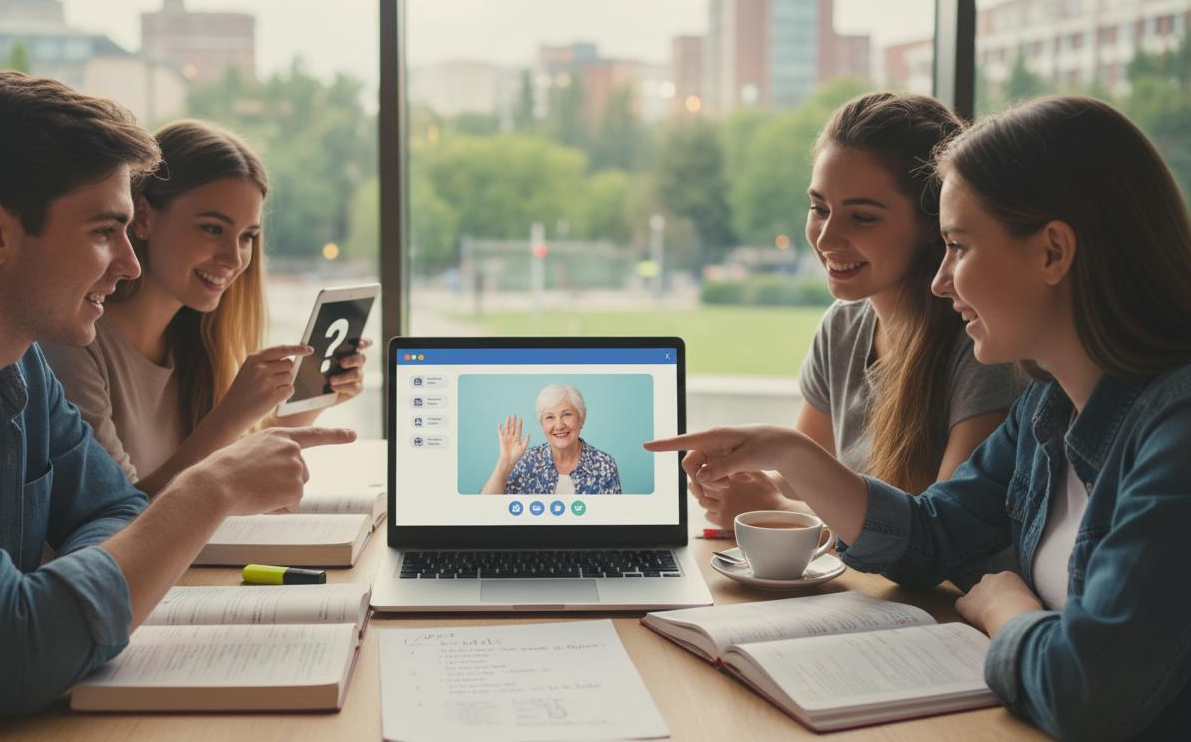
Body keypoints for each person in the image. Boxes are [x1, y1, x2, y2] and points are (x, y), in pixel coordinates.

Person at [647, 96, 1191, 738]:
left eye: (958, 246)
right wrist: (789, 453)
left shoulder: (1174, 438)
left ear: (1051, 253)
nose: (940, 281)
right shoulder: (1048, 406)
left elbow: (1088, 693)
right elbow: (934, 532)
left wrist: (1007, 610)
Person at [0, 73, 353, 739]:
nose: (129, 265)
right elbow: (16, 655)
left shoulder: (18, 359)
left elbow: (116, 509)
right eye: (104, 231)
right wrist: (209, 488)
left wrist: (29, 626)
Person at [694, 92, 1021, 529]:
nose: (827, 239)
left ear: (933, 223)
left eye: (862, 217)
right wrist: (734, 482)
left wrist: (776, 510)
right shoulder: (844, 326)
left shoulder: (979, 342)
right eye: (819, 209)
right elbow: (802, 480)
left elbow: (944, 534)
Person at [43, 120, 368, 497]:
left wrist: (311, 394)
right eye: (213, 229)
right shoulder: (77, 345)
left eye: (247, 236)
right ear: (144, 217)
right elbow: (122, 523)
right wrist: (230, 417)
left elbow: (232, 468)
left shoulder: (195, 344)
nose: (233, 257)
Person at [480, 383, 620, 495]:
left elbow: (614, 520)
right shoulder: (526, 461)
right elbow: (483, 511)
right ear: (542, 424)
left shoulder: (604, 465)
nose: (559, 425)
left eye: (566, 415)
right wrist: (504, 464)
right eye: (550, 417)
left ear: (581, 419)